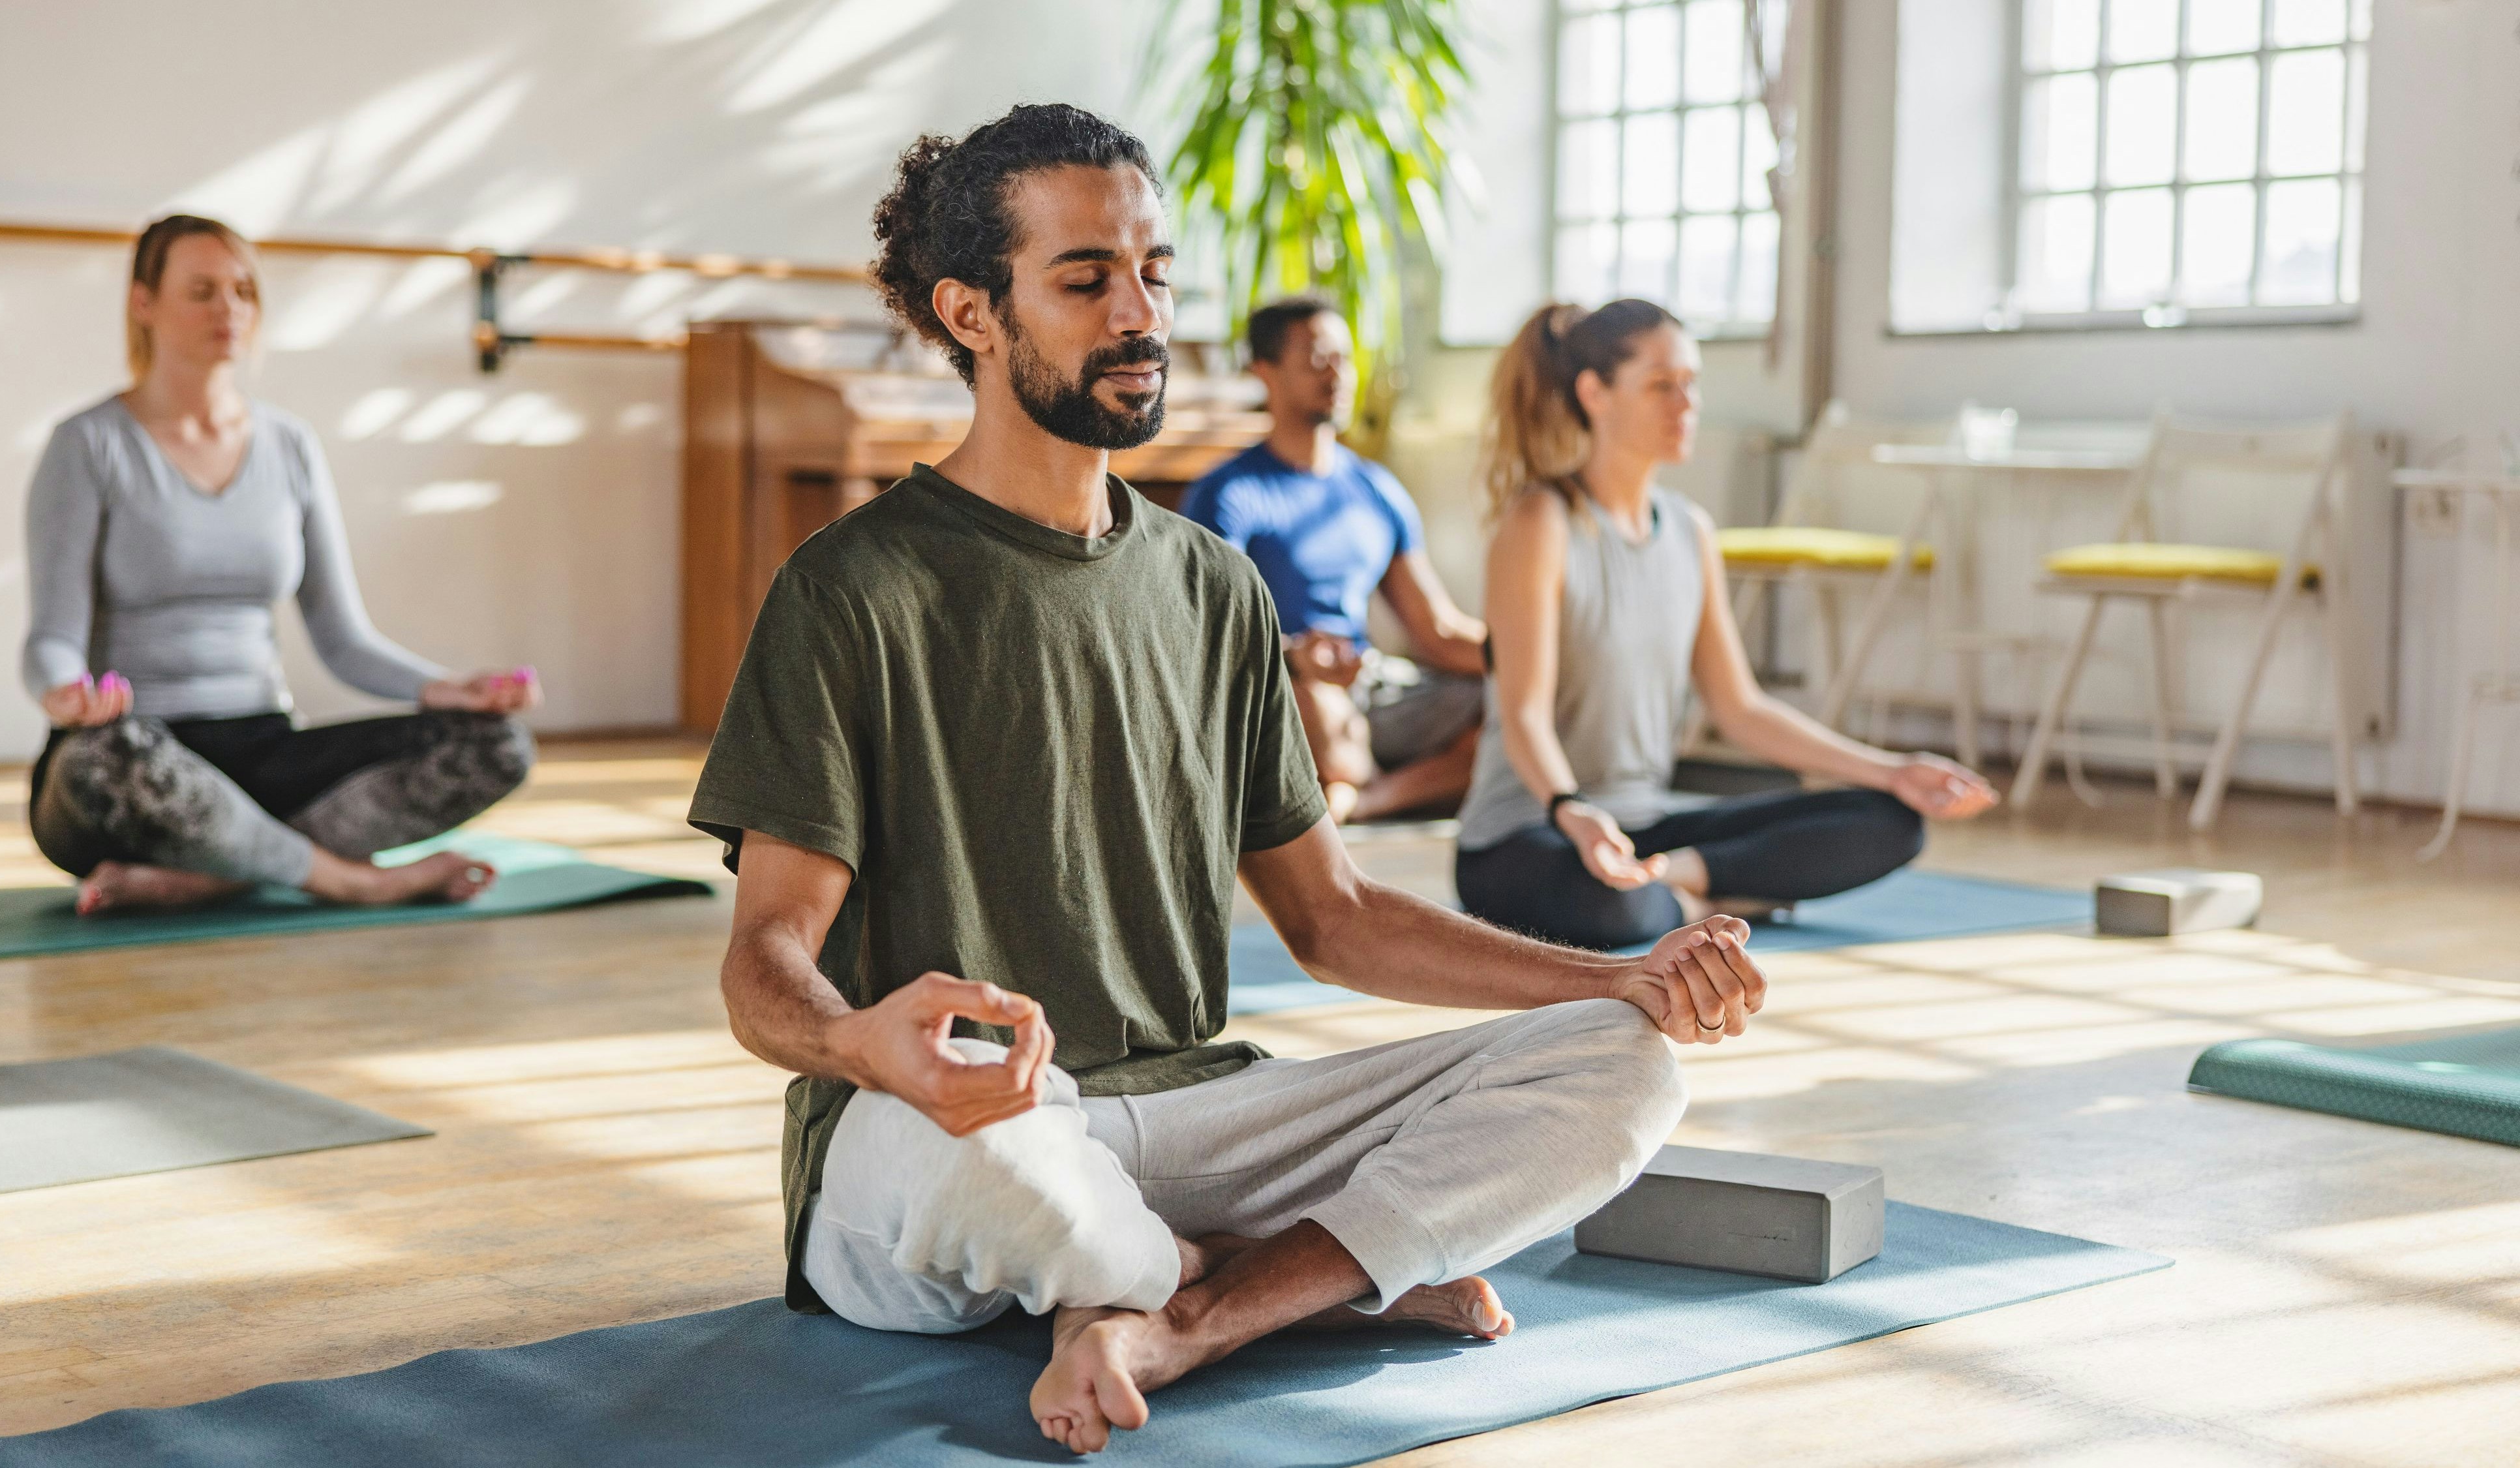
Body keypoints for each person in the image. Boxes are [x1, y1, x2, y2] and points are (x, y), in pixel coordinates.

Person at [690, 105, 1767, 1456]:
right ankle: (1294, 1273)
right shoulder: (849, 590)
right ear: (971, 312)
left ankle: (1178, 1311)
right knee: (1026, 1180)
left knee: (1625, 1069)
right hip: (953, 1126)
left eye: (1154, 273)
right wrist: (858, 1043)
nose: (1139, 312)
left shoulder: (1212, 586)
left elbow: (1335, 921)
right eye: (1086, 281)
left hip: (1193, 1106)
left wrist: (1614, 979)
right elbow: (762, 960)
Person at [20, 214, 541, 915]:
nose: (229, 308)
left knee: (497, 745)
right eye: (202, 290)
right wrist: (65, 692)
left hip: (262, 751)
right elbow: (51, 637)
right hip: (135, 761)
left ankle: (219, 873)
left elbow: (342, 640)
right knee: (98, 758)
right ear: (143, 303)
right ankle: (354, 880)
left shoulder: (290, 445)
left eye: (242, 290)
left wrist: (448, 689)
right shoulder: (88, 445)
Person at [1453, 299, 1999, 951]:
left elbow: (1739, 708)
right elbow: (1524, 716)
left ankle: (1683, 885)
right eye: (1661, 386)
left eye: (1691, 384)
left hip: (1644, 828)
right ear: (1594, 393)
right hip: (1531, 832)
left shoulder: (1690, 532)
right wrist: (1572, 810)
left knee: (1890, 821)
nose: (1685, 405)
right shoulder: (1540, 523)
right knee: (1603, 905)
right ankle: (1710, 895)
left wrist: (1889, 770)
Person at [1181, 298, 1487, 823]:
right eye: (1318, 358)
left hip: (1370, 683)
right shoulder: (1228, 492)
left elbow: (1435, 629)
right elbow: (1213, 624)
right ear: (1266, 372)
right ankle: (1343, 784)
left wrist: (1533, 660)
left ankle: (1363, 799)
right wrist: (1297, 655)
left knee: (1511, 708)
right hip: (1288, 681)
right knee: (1317, 701)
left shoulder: (1377, 489)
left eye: (1344, 357)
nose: (1338, 373)